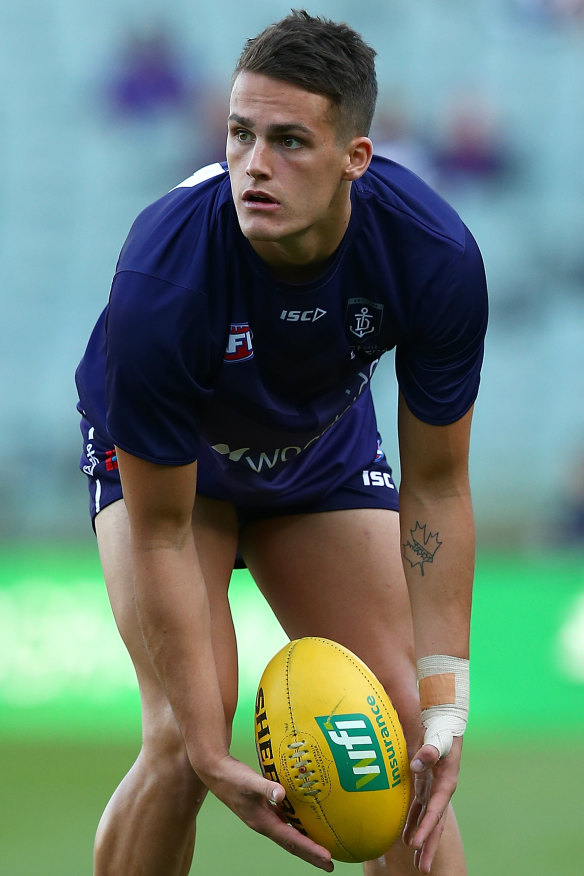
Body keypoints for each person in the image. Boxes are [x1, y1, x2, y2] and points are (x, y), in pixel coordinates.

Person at [75, 10, 488, 876]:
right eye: (239, 133)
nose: (254, 166)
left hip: (319, 446)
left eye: (290, 141)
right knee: (179, 747)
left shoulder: (433, 254)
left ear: (356, 158)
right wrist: (205, 744)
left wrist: (447, 711)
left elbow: (440, 487)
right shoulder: (163, 276)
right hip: (176, 473)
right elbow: (160, 530)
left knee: (409, 739)